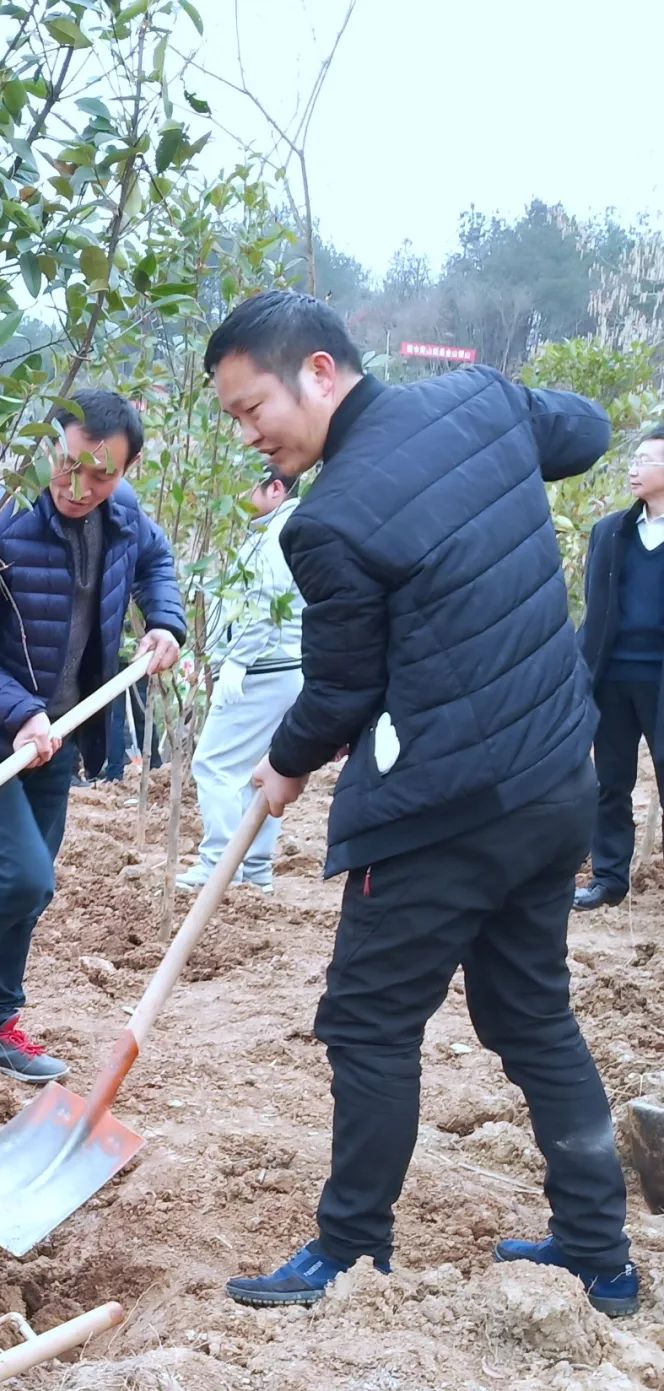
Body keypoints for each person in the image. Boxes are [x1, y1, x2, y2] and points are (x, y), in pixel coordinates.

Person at [205, 290, 637, 1317]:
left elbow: (342, 689)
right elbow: (583, 428)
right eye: (231, 418)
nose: (248, 432)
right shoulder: (485, 399)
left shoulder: (330, 523)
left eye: (250, 404)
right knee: (532, 1014)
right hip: (553, 784)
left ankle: (350, 1250)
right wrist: (496, 450)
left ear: (317, 369)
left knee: (368, 1022)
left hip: (444, 813)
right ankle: (598, 1252)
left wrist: (286, 761)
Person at [0, 388, 185, 1082]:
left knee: (34, 885)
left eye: (102, 474)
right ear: (48, 448)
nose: (80, 486)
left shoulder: (123, 515)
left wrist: (165, 622)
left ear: (129, 470)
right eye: (68, 465)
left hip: (58, 726)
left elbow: (156, 561)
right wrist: (20, 712)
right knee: (22, 872)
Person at [176, 463, 305, 893]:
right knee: (258, 772)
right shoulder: (287, 530)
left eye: (245, 483)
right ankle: (254, 870)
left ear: (274, 489)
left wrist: (238, 661)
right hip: (285, 667)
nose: (238, 494)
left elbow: (267, 601)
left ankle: (220, 865)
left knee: (213, 763)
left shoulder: (275, 539)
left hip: (265, 669)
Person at [574, 428, 664, 910]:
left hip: (660, 678)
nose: (634, 467)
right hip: (612, 678)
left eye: (646, 460)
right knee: (610, 782)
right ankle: (609, 878)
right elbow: (594, 610)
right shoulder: (610, 532)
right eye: (634, 458)